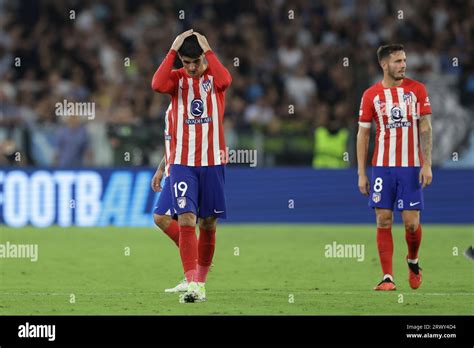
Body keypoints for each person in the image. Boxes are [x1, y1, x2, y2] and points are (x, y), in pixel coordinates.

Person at [151, 29, 232, 302]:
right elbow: (156, 84)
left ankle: (200, 281)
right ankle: (193, 283)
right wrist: (172, 49)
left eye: (196, 62)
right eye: (186, 63)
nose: (192, 68)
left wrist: (208, 48)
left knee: (208, 224)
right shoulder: (176, 81)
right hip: (183, 162)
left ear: (204, 58)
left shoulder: (213, 79)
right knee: (186, 218)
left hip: (212, 162)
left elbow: (226, 79)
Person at [356, 44, 433, 291]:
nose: (403, 65)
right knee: (383, 219)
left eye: (404, 60)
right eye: (398, 61)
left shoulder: (417, 90)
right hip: (382, 168)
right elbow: (363, 135)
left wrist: (427, 163)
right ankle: (387, 277)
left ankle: (412, 260)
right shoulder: (371, 95)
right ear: (384, 65)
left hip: (410, 167)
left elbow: (425, 128)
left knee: (411, 223)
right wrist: (361, 173)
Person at [150, 104, 187, 293]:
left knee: (167, 217)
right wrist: (161, 168)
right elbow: (172, 144)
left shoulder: (186, 106)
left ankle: (193, 270)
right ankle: (192, 272)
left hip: (184, 170)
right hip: (173, 169)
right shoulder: (171, 109)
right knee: (167, 218)